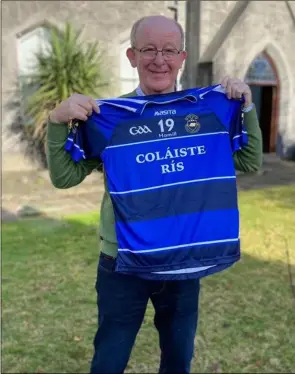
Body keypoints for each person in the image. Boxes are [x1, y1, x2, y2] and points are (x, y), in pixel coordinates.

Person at [47, 15, 262, 374]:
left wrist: (248, 107)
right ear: (132, 56)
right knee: (109, 360)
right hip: (121, 262)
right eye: (148, 49)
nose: (158, 59)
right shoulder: (109, 117)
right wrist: (57, 120)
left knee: (178, 359)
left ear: (182, 57)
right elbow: (65, 177)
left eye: (168, 50)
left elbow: (249, 161)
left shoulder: (207, 112)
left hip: (183, 257)